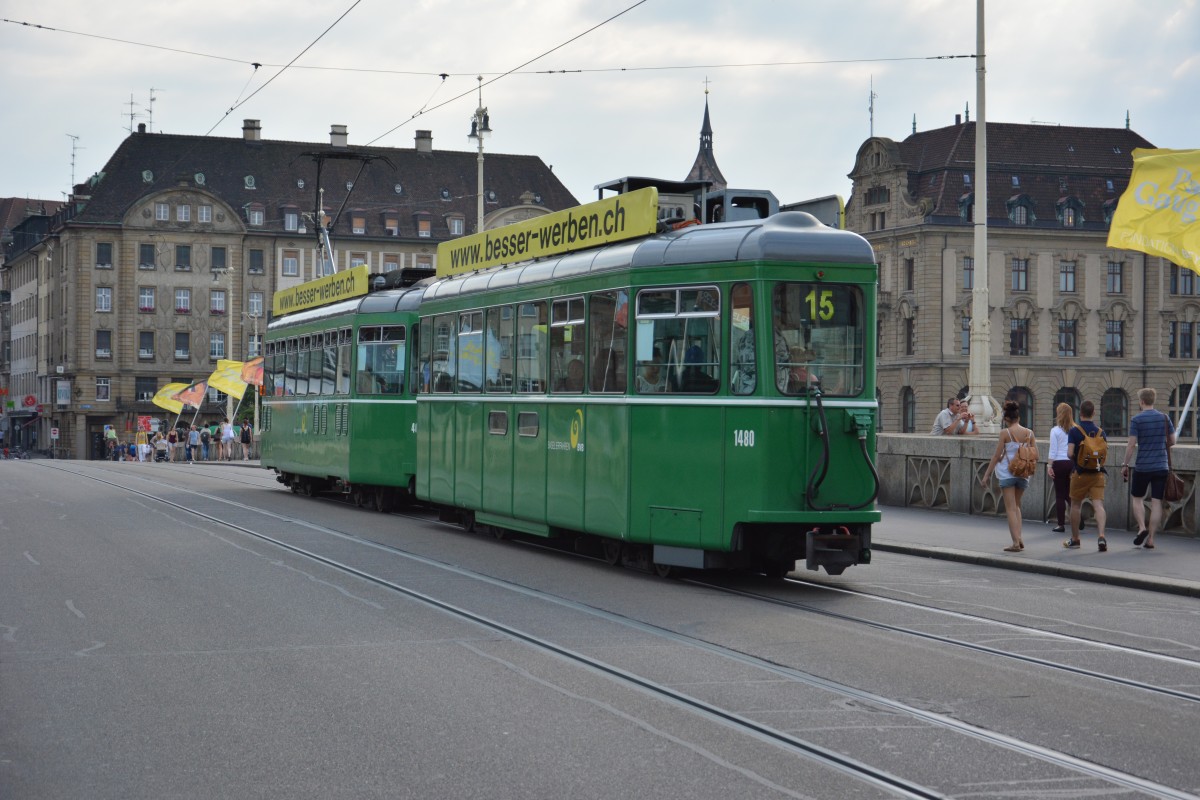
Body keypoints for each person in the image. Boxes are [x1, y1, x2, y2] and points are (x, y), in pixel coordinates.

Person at [1122, 387, 1175, 550]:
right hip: (1161, 466)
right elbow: (1172, 441)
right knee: (1156, 502)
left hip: (1143, 466)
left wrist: (1125, 463)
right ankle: (1151, 539)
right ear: (1153, 400)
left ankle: (1142, 528)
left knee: (1137, 498)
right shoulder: (1165, 418)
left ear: (1142, 401)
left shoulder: (1137, 420)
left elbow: (1131, 444)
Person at [980, 399, 1034, 552]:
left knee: (1010, 508)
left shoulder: (1005, 433)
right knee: (1017, 506)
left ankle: (1016, 543)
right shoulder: (1029, 433)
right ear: (1019, 417)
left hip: (1007, 472)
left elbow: (997, 456)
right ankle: (1019, 537)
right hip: (1023, 472)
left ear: (1006, 419)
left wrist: (986, 475)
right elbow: (1034, 452)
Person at [1064, 400, 1108, 551]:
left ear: (1080, 413)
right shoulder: (1101, 432)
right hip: (1097, 474)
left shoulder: (1075, 431)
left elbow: (1070, 453)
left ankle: (1075, 539)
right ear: (1093, 413)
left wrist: (1077, 458)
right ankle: (1101, 536)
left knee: (1075, 505)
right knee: (1098, 505)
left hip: (1080, 473)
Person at [1047, 402, 1074, 533]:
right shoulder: (1075, 429)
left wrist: (1049, 465)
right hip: (1071, 463)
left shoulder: (1055, 430)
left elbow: (1053, 450)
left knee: (1059, 494)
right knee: (1070, 493)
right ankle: (1078, 519)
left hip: (1059, 463)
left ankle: (1061, 524)